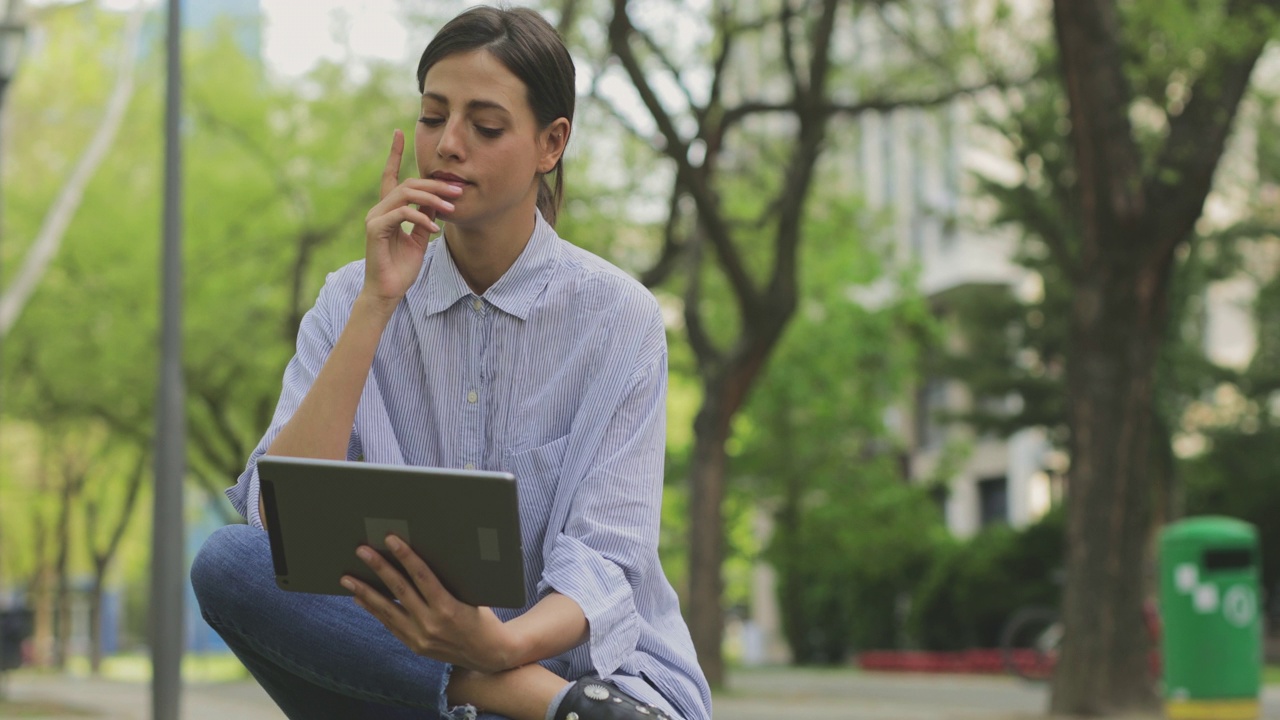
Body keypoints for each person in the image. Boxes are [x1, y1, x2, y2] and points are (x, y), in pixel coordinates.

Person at [189, 7, 711, 720]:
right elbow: (278, 525)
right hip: (443, 679)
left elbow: (607, 566)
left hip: (593, 674)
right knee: (227, 563)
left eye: (486, 126)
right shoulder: (352, 296)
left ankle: (537, 698)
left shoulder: (618, 318)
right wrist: (376, 302)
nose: (449, 145)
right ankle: (536, 704)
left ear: (551, 143)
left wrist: (498, 645)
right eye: (434, 118)